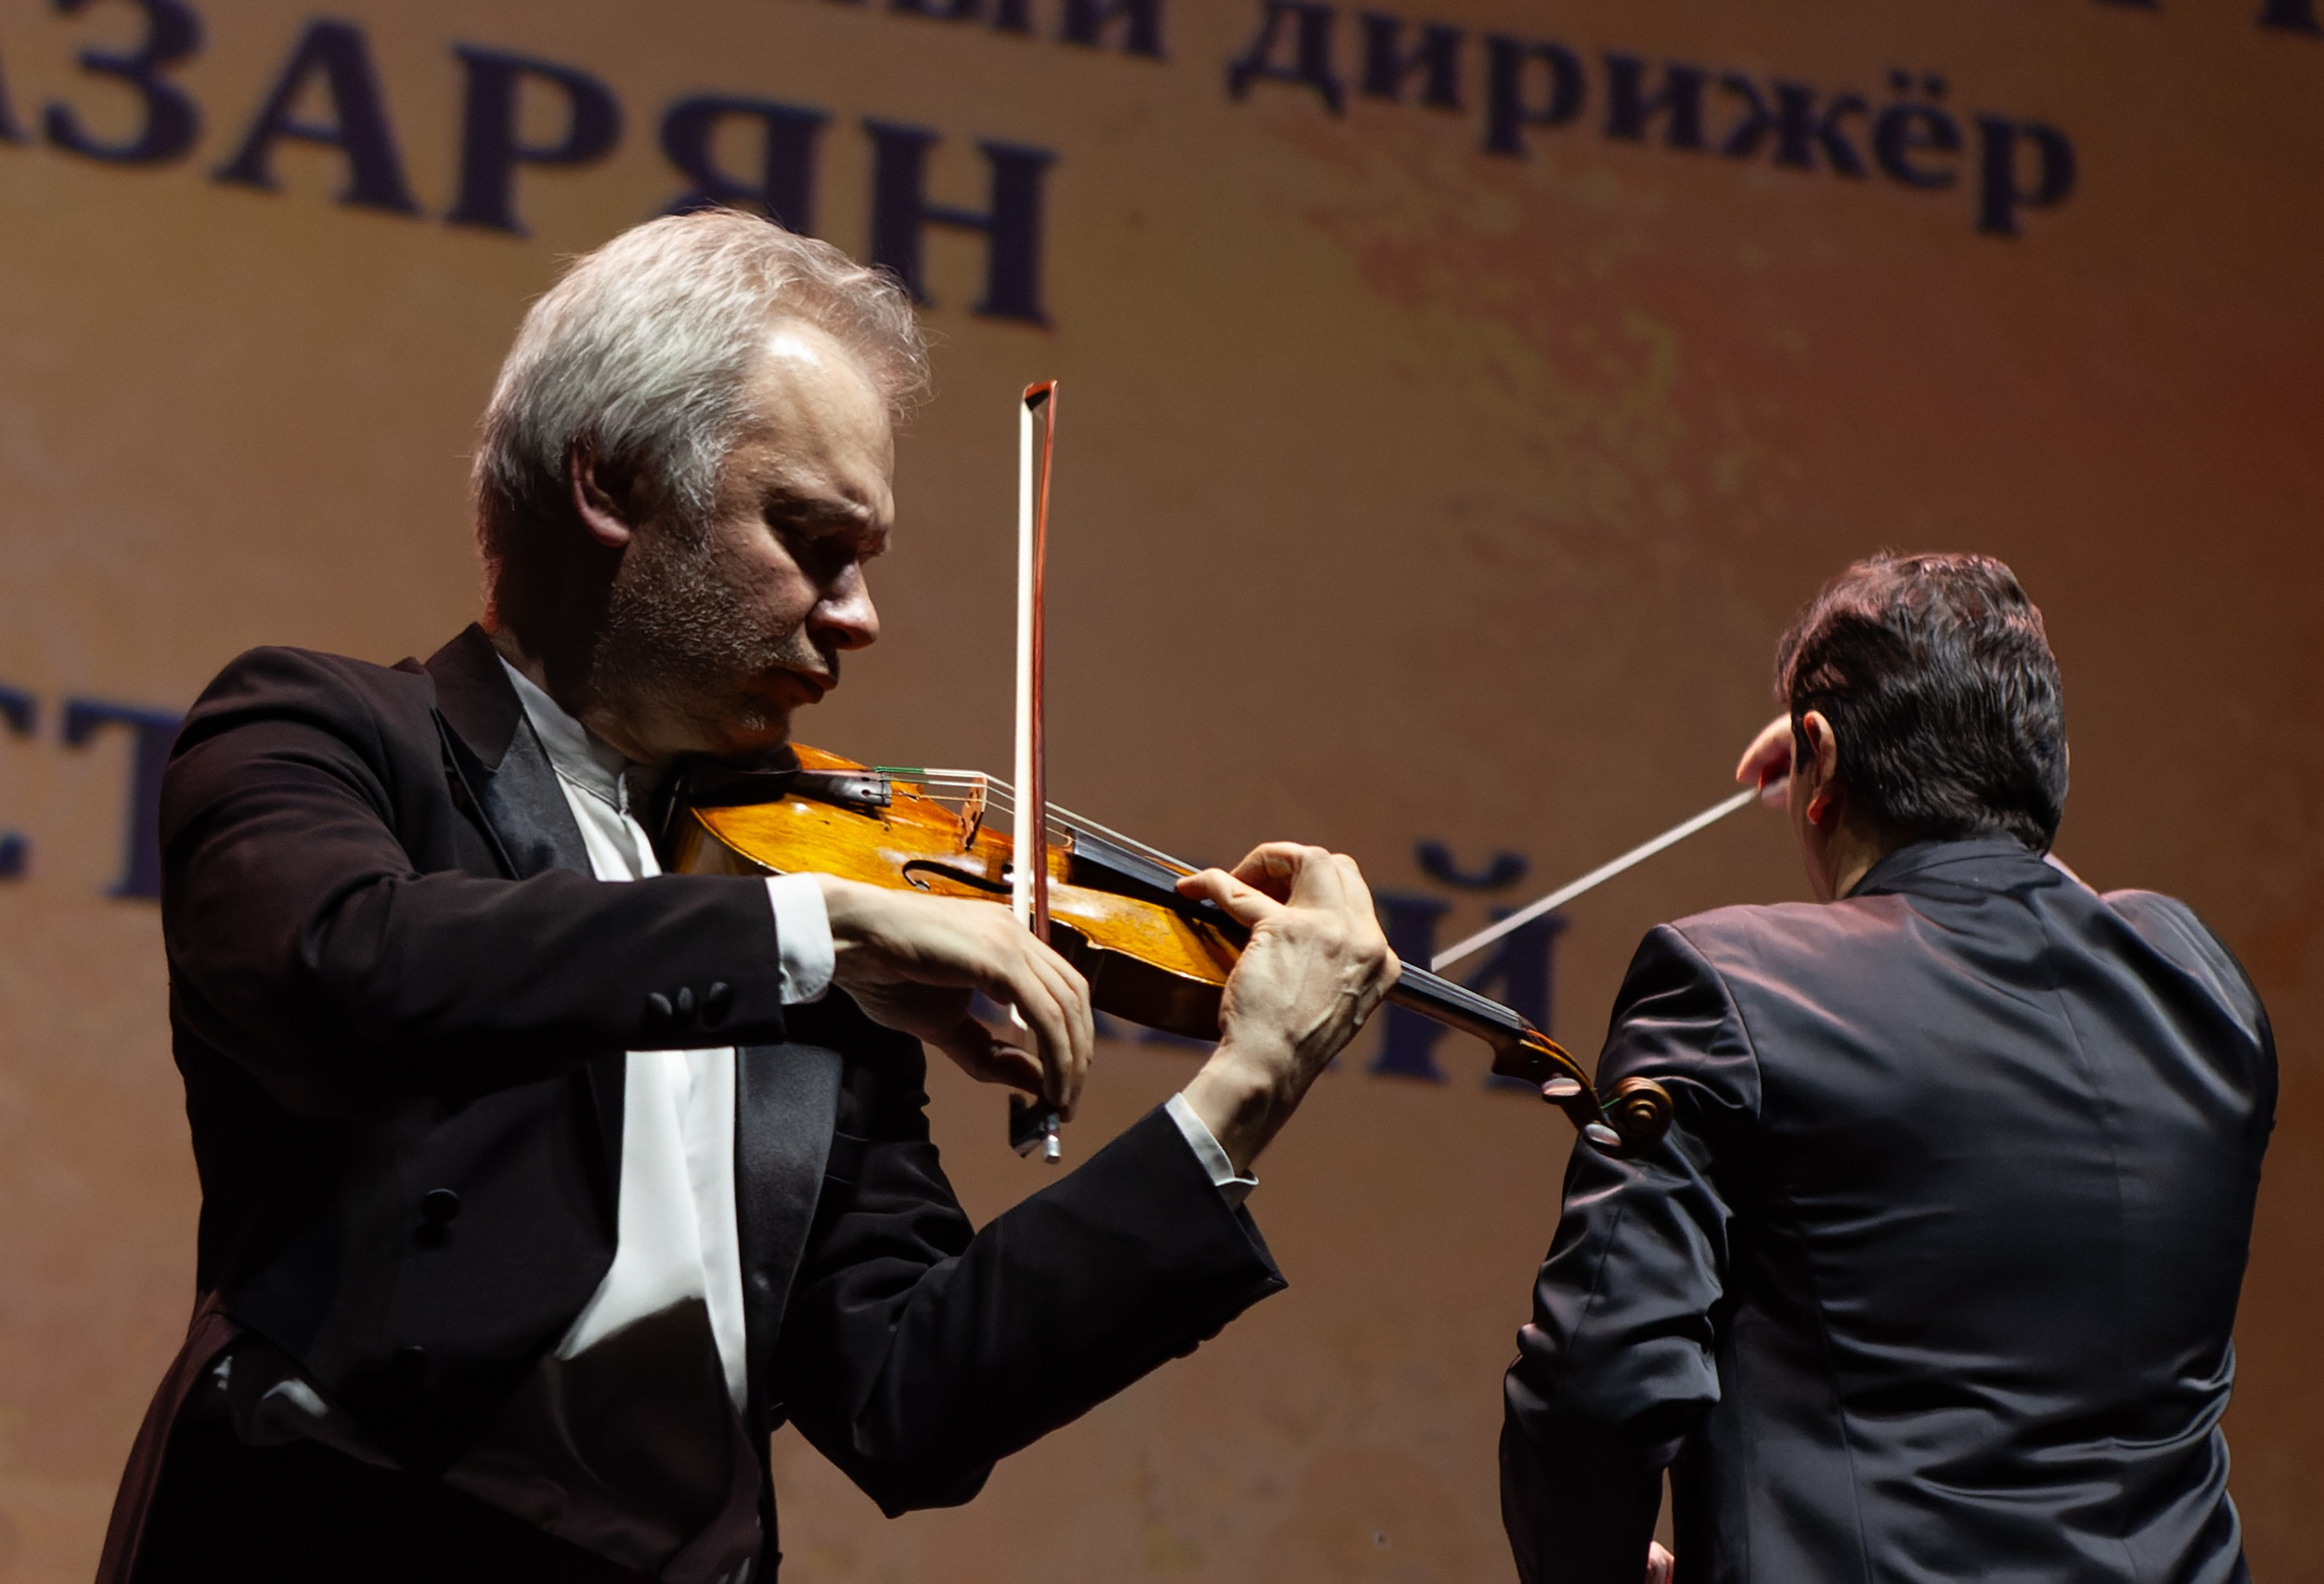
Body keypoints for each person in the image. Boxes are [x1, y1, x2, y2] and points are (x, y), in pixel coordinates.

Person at [98, 211, 1399, 1584]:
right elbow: (336, 973)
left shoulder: (799, 886)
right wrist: (813, 932)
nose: (859, 616)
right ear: (611, 483)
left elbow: (914, 1399)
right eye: (812, 538)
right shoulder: (325, 733)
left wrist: (1238, 1095)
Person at [1500, 553, 2274, 1584]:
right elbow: (2032, 888)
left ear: (1815, 755)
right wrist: (1923, 753)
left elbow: (1596, 1380)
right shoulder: (2199, 983)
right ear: (2052, 764)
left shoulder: (1735, 983)